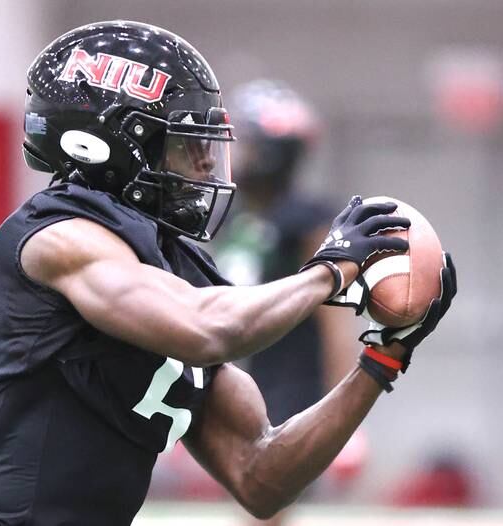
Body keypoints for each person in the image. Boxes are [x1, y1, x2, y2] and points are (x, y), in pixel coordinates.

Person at [0, 20, 457, 526]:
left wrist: (383, 358)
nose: (205, 164)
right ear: (106, 145)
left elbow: (261, 477)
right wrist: (331, 270)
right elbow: (206, 327)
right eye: (183, 143)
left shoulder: (173, 265)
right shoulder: (58, 237)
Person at [212, 80, 364, 524]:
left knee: (265, 503)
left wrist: (343, 402)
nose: (239, 153)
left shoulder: (306, 219)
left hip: (291, 375)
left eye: (250, 143)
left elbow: (335, 317)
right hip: (240, 368)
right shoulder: (232, 214)